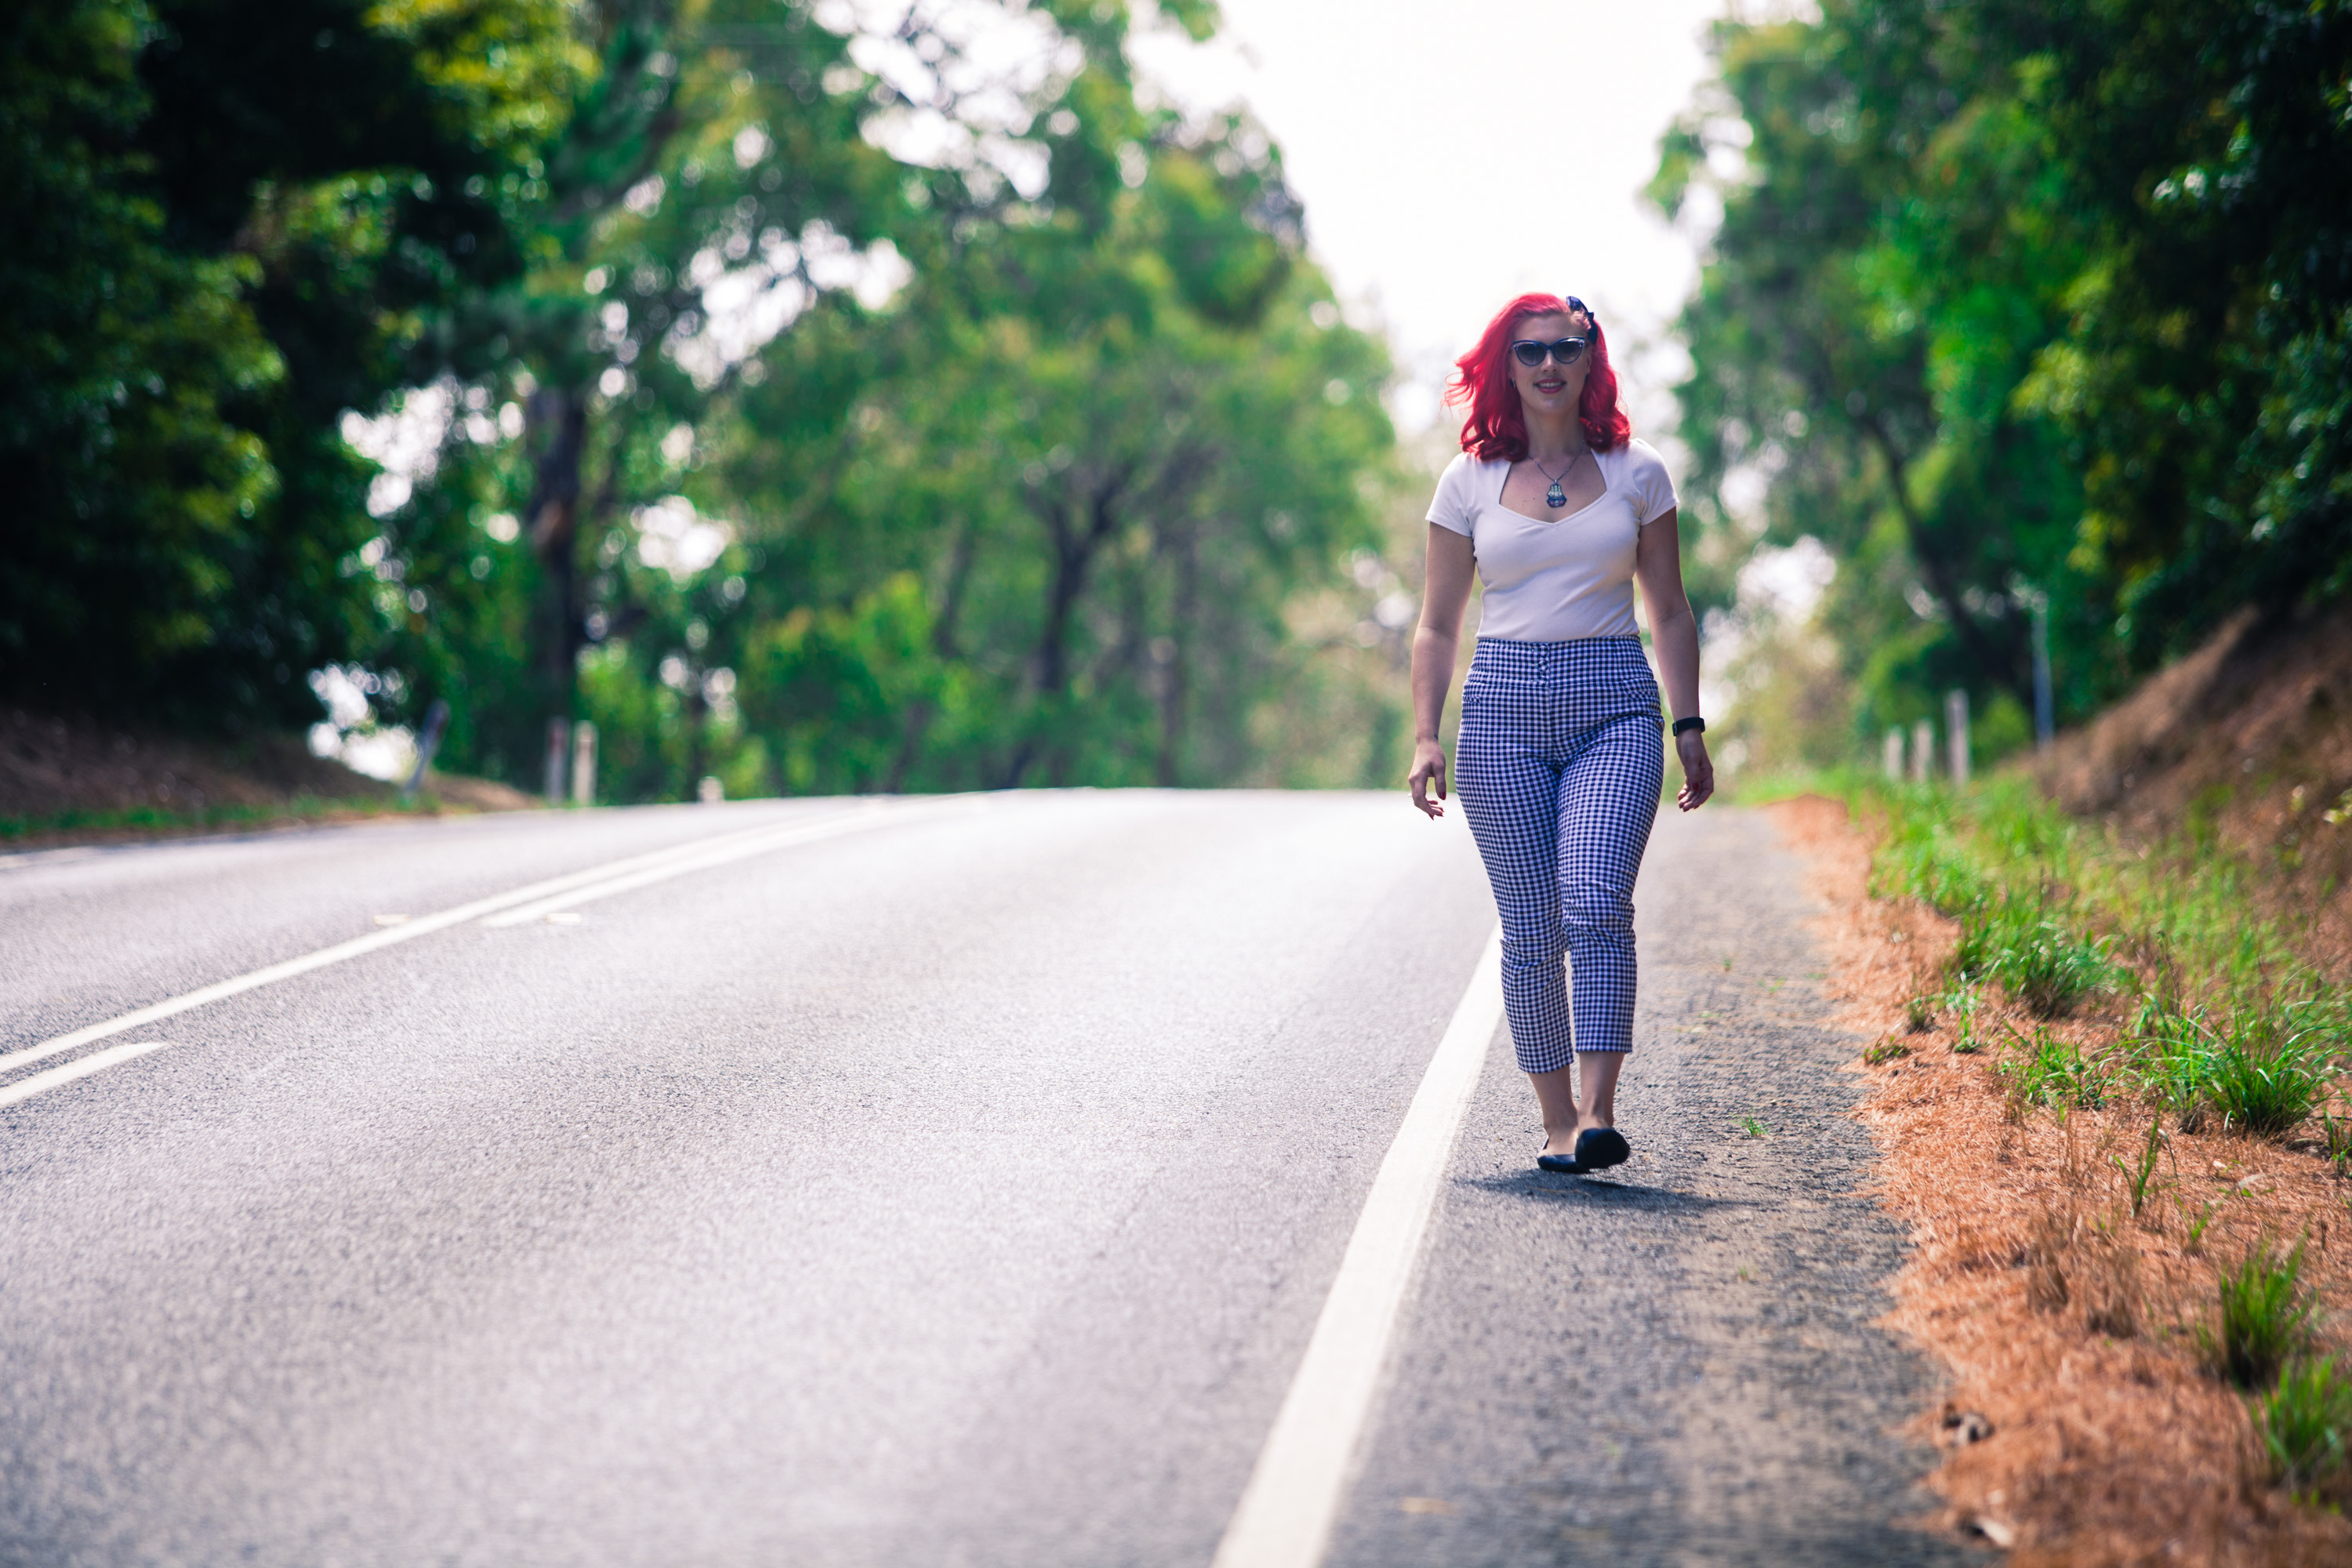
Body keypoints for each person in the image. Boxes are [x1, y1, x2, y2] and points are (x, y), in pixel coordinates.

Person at [1406, 292, 1713, 1175]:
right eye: (1531, 350)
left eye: (1565, 349)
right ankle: (1556, 1123)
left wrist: (1688, 723)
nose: (1549, 364)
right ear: (1506, 366)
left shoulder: (1638, 471)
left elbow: (1668, 608)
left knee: (1596, 898)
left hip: (1614, 704)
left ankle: (1599, 1111)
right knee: (1533, 925)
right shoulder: (1466, 482)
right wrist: (1426, 736)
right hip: (1500, 712)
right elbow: (1437, 625)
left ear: (1589, 360)